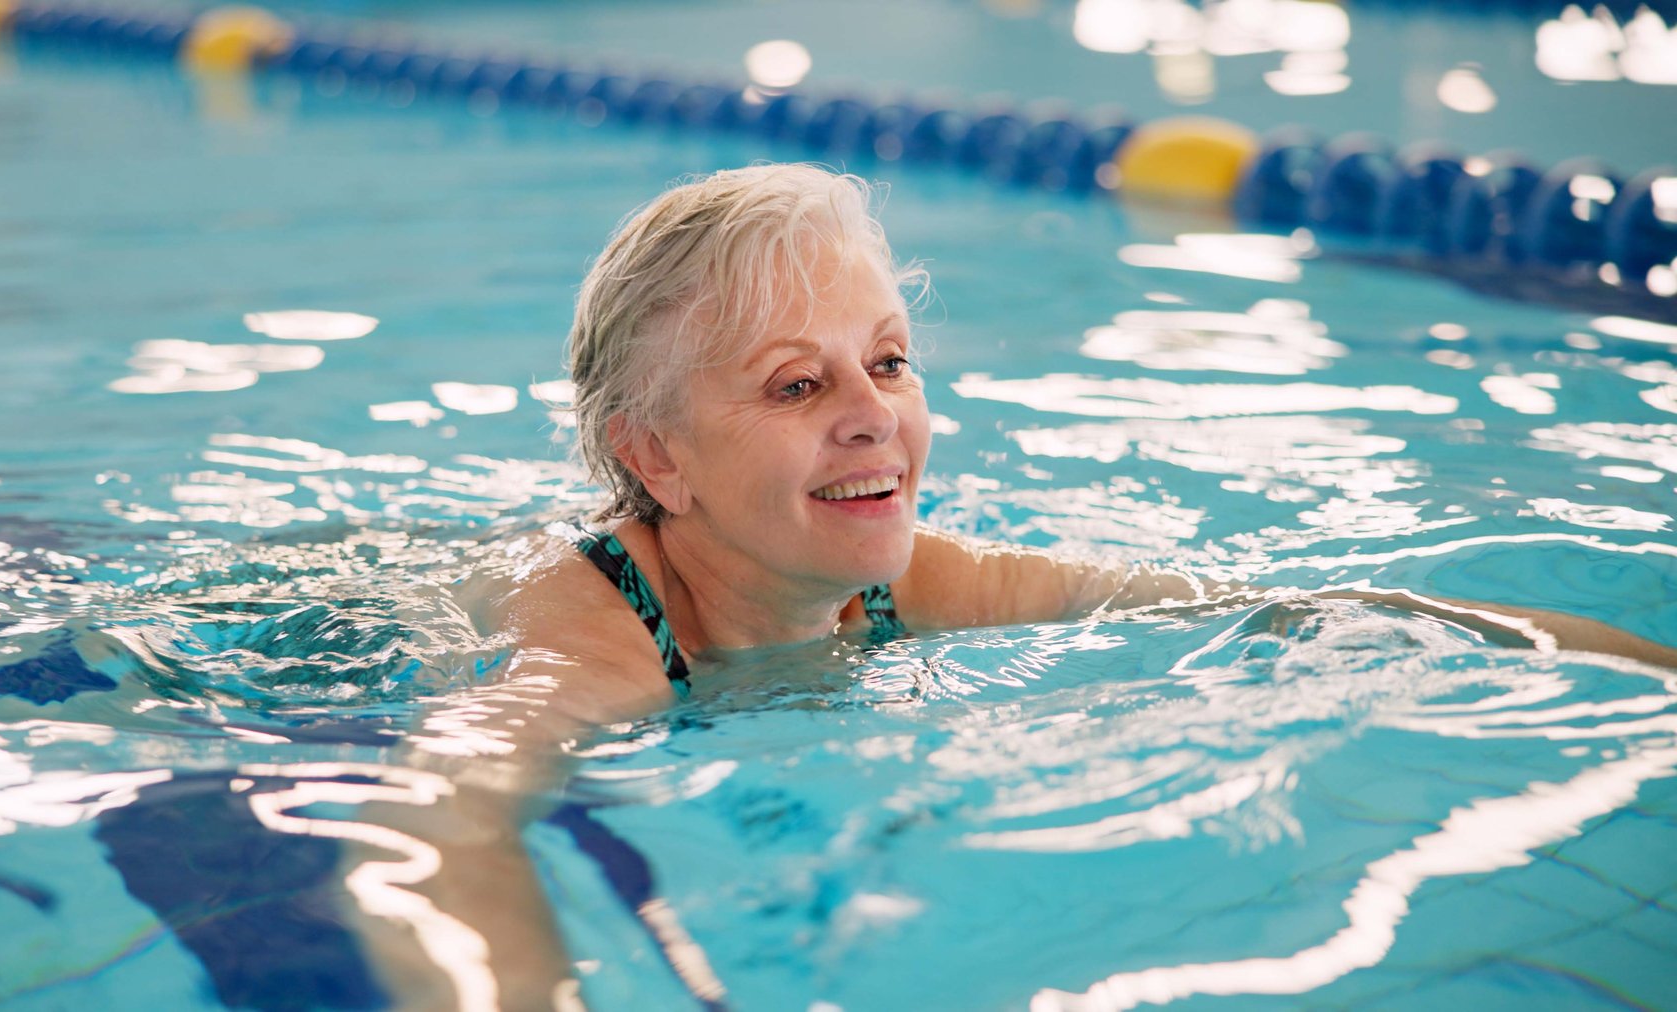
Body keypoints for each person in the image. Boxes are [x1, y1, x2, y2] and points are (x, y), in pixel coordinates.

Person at [343, 163, 1677, 1010]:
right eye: (797, 385)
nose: (874, 418)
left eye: (891, 362)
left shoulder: (921, 581)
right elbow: (431, 834)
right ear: (655, 459)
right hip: (311, 656)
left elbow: (1264, 610)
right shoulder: (593, 640)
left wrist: (1619, 662)